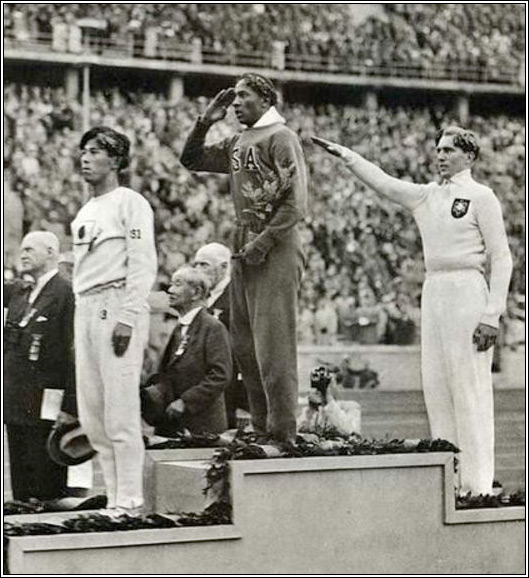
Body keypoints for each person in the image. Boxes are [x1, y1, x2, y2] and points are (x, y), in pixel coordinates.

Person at [313, 126, 513, 496]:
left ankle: (479, 484)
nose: (440, 156)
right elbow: (385, 183)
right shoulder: (425, 196)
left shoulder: (481, 197)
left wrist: (491, 315)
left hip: (468, 287)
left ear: (468, 156)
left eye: (449, 150)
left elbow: (502, 257)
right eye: (437, 149)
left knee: (469, 387)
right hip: (434, 288)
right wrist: (348, 157)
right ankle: (449, 477)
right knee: (436, 385)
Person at [180, 73, 309, 444]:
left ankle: (283, 431)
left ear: (266, 100)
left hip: (276, 241)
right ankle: (260, 425)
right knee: (246, 344)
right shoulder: (239, 140)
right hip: (244, 238)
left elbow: (296, 203)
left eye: (243, 96)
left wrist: (263, 242)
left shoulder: (281, 137)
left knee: (273, 344)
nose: (235, 103)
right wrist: (206, 121)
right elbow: (192, 159)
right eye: (234, 97)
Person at [71, 126, 157, 515]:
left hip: (116, 302)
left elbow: (142, 261)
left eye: (95, 151)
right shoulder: (86, 209)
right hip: (85, 306)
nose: (85, 158)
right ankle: (113, 498)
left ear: (117, 160)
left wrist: (128, 315)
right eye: (83, 151)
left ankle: (131, 500)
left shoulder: (130, 202)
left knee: (120, 411)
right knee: (93, 415)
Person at [4, 231, 77, 502]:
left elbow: (73, 353)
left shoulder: (65, 292)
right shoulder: (20, 292)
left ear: (50, 253)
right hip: (15, 400)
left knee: (46, 484)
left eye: (29, 249)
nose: (22, 254)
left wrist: (71, 406)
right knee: (21, 486)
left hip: (48, 400)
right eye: (21, 249)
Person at [141, 266, 232, 436]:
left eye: (177, 284)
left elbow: (220, 376)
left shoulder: (213, 327)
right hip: (172, 424)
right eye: (171, 284)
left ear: (196, 293)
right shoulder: (179, 328)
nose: (170, 290)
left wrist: (185, 402)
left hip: (202, 428)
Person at [193, 242, 249, 429]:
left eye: (204, 265)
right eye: (196, 265)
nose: (198, 270)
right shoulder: (202, 296)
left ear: (224, 267)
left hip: (228, 375)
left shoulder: (238, 294)